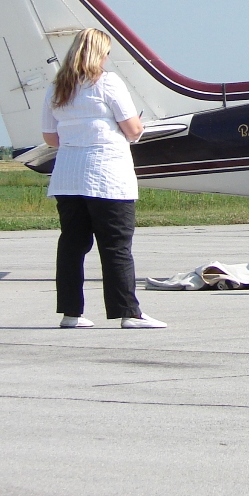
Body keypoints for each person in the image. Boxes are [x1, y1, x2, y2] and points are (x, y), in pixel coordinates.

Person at [41, 28, 166, 329]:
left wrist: (77, 137)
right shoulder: (108, 82)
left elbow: (49, 136)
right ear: (100, 54)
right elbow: (133, 129)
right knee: (115, 245)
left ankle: (71, 313)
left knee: (72, 244)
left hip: (68, 176)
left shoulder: (57, 87)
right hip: (107, 176)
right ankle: (128, 313)